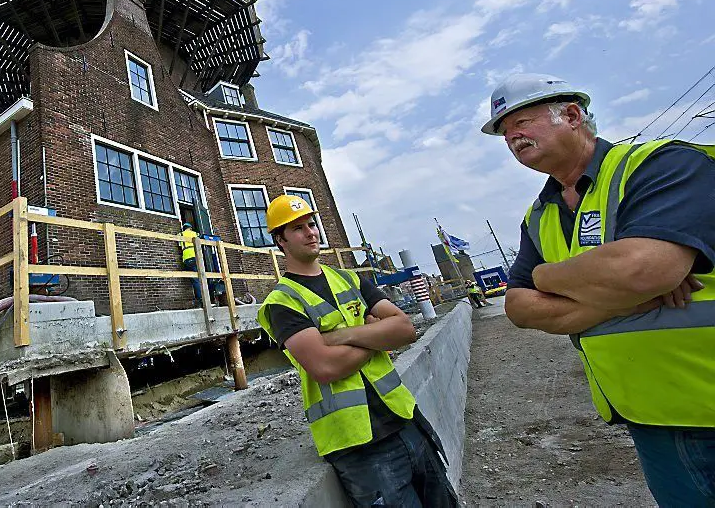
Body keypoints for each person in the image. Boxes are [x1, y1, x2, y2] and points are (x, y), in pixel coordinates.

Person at [483, 72, 715, 506]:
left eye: (521, 124)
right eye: (504, 133)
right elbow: (518, 307)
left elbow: (641, 270)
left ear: (571, 115)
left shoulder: (659, 165)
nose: (512, 138)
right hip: (649, 418)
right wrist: (628, 301)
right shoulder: (539, 215)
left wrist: (547, 276)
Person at [257, 194, 458, 507]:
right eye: (297, 228)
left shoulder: (351, 279)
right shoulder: (282, 303)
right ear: (279, 240)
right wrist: (375, 335)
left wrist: (341, 336)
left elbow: (404, 329)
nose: (311, 232)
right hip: (360, 446)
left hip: (406, 419)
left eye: (311, 224)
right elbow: (325, 367)